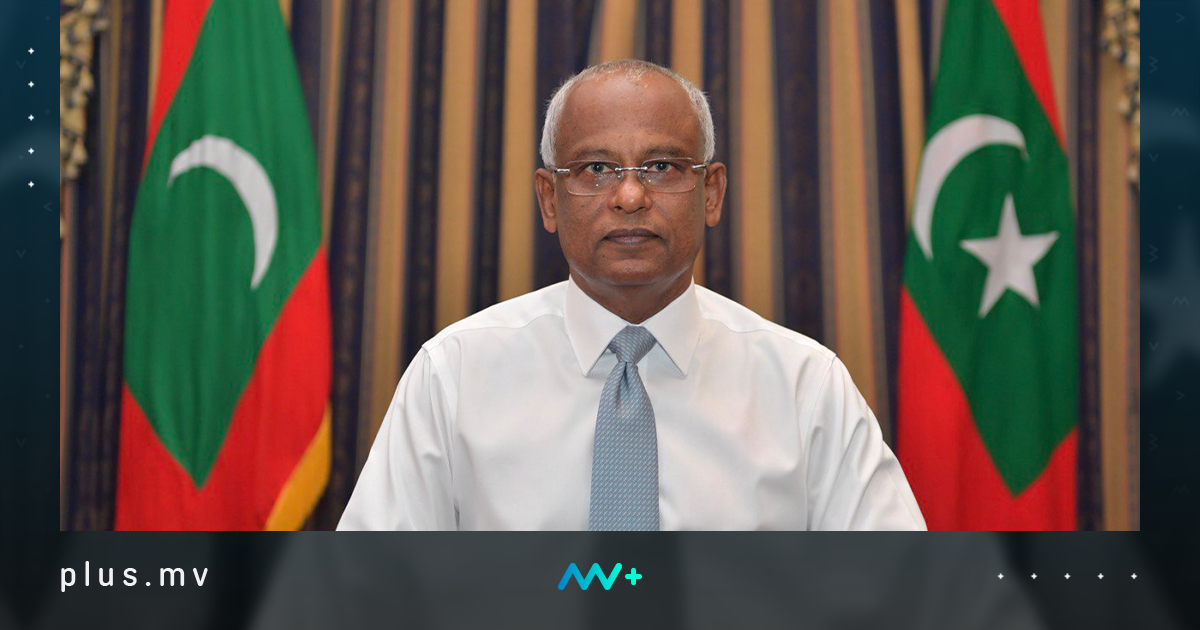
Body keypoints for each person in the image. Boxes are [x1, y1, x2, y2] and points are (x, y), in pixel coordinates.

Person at [337, 59, 925, 531]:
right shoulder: (454, 374)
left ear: (711, 192)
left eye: (662, 166)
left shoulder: (805, 386)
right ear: (549, 198)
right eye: (595, 169)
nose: (629, 196)